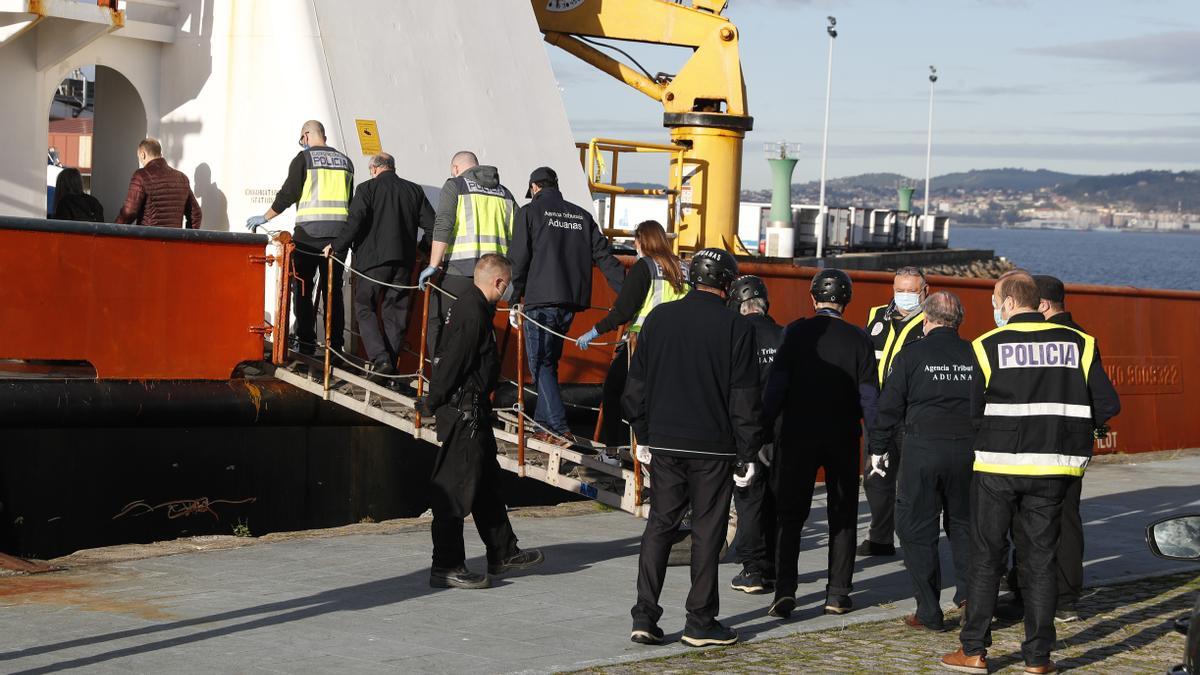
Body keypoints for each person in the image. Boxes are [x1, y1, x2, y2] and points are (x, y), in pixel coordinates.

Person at [942, 270, 1120, 675]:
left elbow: (971, 412)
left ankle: (973, 651)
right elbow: (1107, 404)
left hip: (997, 467)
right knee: (1040, 561)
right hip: (1054, 467)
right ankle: (1038, 659)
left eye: (993, 300)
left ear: (1007, 303)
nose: (993, 308)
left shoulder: (987, 345)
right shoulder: (1081, 343)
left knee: (986, 558)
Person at [623, 247, 762, 648]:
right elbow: (744, 398)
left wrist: (644, 432)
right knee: (707, 531)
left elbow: (636, 388)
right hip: (714, 448)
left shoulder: (660, 319)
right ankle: (700, 621)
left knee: (659, 527)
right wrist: (748, 452)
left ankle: (644, 616)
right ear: (728, 284)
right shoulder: (737, 328)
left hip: (665, 442)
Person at [415, 254, 544, 589]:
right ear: (499, 282)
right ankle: (446, 565)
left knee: (487, 486)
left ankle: (503, 552)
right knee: (454, 491)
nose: (507, 290)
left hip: (475, 412)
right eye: (507, 284)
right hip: (464, 413)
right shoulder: (473, 312)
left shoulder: (472, 306)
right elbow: (454, 361)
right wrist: (433, 400)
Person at [762, 268, 877, 619]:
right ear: (847, 301)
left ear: (814, 299)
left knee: (790, 515)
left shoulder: (795, 333)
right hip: (842, 435)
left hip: (797, 435)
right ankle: (838, 593)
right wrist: (877, 442)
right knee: (842, 516)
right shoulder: (860, 339)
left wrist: (763, 431)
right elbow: (870, 397)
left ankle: (785, 591)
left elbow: (776, 387)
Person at [997, 274, 1101, 623]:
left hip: (1030, 448)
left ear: (1041, 306)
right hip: (1071, 450)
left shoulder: (1048, 341)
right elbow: (1106, 402)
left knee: (1028, 526)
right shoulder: (1084, 340)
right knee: (1068, 522)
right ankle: (1067, 599)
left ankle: (1029, 595)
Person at [869, 291, 974, 632]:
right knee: (965, 526)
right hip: (968, 452)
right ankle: (971, 597)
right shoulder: (975, 354)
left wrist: (878, 447)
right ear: (958, 321)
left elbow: (889, 406)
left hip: (923, 450)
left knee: (916, 529)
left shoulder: (911, 355)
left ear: (926, 321)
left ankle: (928, 611)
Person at [509, 166, 624, 447]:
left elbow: (519, 259)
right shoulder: (581, 216)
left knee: (539, 365)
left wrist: (514, 298)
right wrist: (627, 292)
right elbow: (605, 257)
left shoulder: (529, 212)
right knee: (549, 364)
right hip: (571, 302)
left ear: (535, 187)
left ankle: (559, 428)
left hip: (540, 300)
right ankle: (547, 426)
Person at [247, 120, 354, 357]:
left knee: (303, 288)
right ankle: (334, 346)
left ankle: (306, 343)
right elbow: (351, 201)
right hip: (338, 239)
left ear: (306, 135)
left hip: (308, 237)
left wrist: (265, 217)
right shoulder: (346, 163)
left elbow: (288, 194)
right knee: (333, 293)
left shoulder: (304, 159)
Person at [324, 152, 434, 384]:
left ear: (374, 169)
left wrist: (336, 246)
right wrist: (420, 250)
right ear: (392, 167)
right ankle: (389, 367)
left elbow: (355, 221)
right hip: (404, 263)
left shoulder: (366, 189)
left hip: (372, 262)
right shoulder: (414, 190)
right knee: (396, 313)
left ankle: (381, 359)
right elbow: (433, 226)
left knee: (364, 307)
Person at [576, 220, 687, 447]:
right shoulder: (684, 268)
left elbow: (623, 311)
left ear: (640, 241)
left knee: (615, 393)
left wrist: (594, 331)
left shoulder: (644, 266)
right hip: (679, 346)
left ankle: (615, 449)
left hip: (642, 344)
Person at [418, 151, 517, 357]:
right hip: (492, 279)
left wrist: (433, 265)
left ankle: (441, 378)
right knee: (480, 330)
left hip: (459, 272)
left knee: (439, 322)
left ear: (456, 169)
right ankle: (475, 383)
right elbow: (517, 235)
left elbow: (443, 224)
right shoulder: (505, 194)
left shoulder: (456, 186)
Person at [859, 266, 928, 557]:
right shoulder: (877, 316)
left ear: (926, 292)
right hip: (877, 413)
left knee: (910, 483)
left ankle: (914, 540)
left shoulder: (932, 321)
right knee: (875, 478)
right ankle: (880, 536)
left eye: (912, 291)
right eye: (900, 290)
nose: (905, 296)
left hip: (911, 414)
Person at [724, 275, 783, 596]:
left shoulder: (735, 336)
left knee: (748, 500)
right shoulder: (785, 335)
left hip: (745, 431)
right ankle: (772, 567)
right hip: (781, 433)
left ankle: (753, 569)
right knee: (774, 501)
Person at [115, 138, 202, 229]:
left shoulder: (141, 175)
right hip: (174, 241)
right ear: (160, 154)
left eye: (139, 158)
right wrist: (187, 238)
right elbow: (196, 214)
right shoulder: (182, 178)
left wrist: (113, 230)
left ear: (143, 154)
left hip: (149, 240)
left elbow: (129, 212)